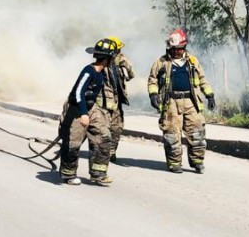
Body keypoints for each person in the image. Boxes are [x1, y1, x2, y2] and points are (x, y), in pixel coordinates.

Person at [147, 29, 215, 174]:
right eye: (175, 49)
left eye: (180, 49)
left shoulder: (192, 61)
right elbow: (152, 79)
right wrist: (153, 94)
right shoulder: (161, 62)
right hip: (171, 102)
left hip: (191, 102)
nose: (178, 52)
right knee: (172, 134)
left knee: (197, 132)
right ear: (170, 47)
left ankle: (197, 162)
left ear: (184, 47)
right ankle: (174, 163)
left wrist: (210, 95)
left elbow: (202, 79)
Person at [58, 39, 119, 186]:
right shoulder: (89, 71)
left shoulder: (102, 72)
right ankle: (68, 174)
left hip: (91, 108)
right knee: (72, 142)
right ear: (107, 58)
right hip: (77, 108)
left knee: (104, 136)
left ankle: (98, 173)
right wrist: (84, 113)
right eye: (112, 57)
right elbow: (78, 92)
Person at [91, 35, 135, 164]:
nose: (121, 53)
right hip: (103, 104)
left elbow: (131, 75)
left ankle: (110, 152)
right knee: (102, 130)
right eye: (119, 51)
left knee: (117, 128)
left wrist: (124, 62)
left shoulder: (121, 64)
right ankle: (101, 153)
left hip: (116, 103)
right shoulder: (101, 65)